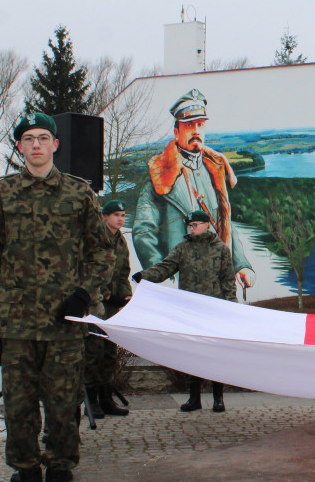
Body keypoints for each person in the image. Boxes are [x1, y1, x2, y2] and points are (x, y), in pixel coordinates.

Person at [0, 112, 114, 482]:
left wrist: (83, 294)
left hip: (63, 327)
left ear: (55, 145)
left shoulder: (78, 194)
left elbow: (103, 254)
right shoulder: (2, 193)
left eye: (43, 138)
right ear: (19, 147)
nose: (36, 145)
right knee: (18, 415)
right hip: (15, 327)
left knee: (61, 414)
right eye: (28, 139)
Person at [132, 88, 255, 289]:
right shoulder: (159, 174)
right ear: (176, 132)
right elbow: (143, 231)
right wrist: (161, 278)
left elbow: (225, 224)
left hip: (217, 281)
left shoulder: (214, 169)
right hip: (183, 282)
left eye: (200, 125)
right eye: (189, 125)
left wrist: (240, 265)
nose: (196, 131)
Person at [132, 209, 237, 412]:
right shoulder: (182, 248)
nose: (192, 228)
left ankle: (218, 398)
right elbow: (165, 268)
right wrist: (144, 276)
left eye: (195, 224)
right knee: (192, 354)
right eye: (190, 225)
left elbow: (228, 280)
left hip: (214, 310)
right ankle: (194, 398)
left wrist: (230, 306)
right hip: (190, 311)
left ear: (207, 224)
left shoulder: (221, 249)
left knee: (215, 354)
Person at [83, 200, 133, 418]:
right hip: (95, 302)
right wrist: (106, 294)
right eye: (115, 215)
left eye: (122, 215)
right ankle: (91, 402)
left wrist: (125, 293)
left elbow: (123, 271)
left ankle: (106, 399)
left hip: (112, 305)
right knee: (93, 351)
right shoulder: (95, 237)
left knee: (108, 352)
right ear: (104, 217)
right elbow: (91, 270)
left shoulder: (120, 241)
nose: (120, 219)